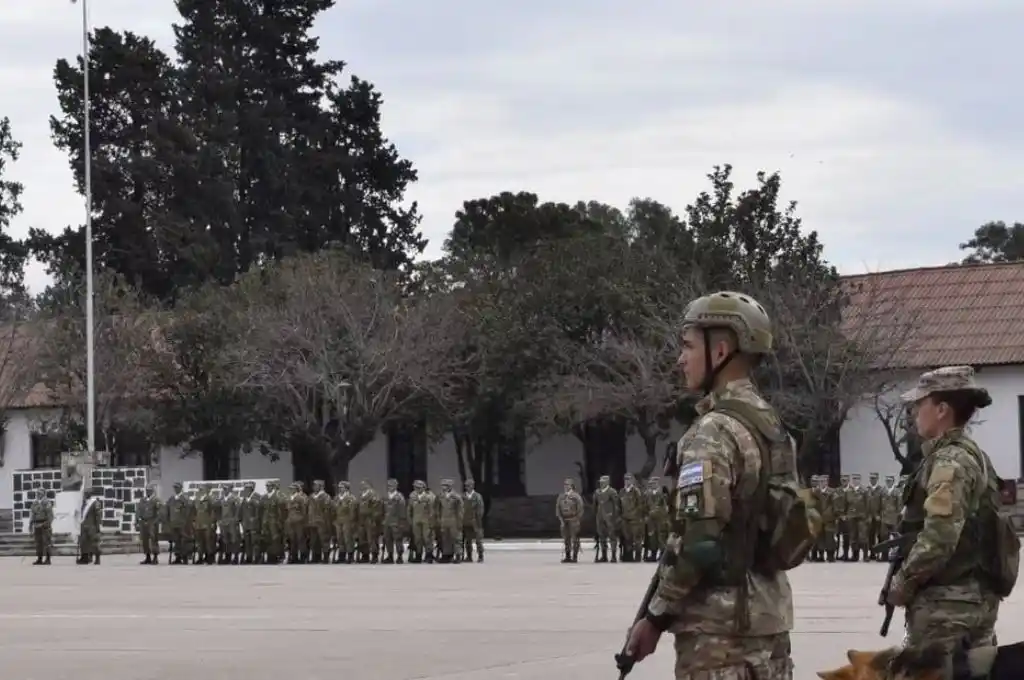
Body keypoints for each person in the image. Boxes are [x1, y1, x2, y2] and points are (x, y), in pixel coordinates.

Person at [625, 291, 796, 678]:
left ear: (719, 352)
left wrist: (655, 617)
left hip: (720, 637)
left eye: (687, 346)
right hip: (770, 624)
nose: (680, 359)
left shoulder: (713, 432)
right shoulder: (772, 427)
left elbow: (698, 543)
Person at [886, 365, 1007, 653]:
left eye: (920, 404)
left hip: (947, 607)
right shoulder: (975, 456)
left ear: (941, 410)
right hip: (975, 600)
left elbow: (939, 537)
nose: (915, 412)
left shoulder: (948, 462)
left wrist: (903, 582)